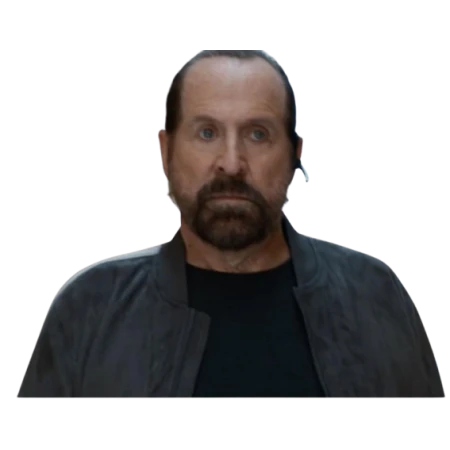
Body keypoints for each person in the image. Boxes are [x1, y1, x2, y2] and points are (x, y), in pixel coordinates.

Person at [18, 49, 444, 398]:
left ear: (295, 152)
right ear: (165, 150)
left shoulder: (375, 298)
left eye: (258, 134)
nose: (232, 163)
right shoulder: (89, 312)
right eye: (207, 133)